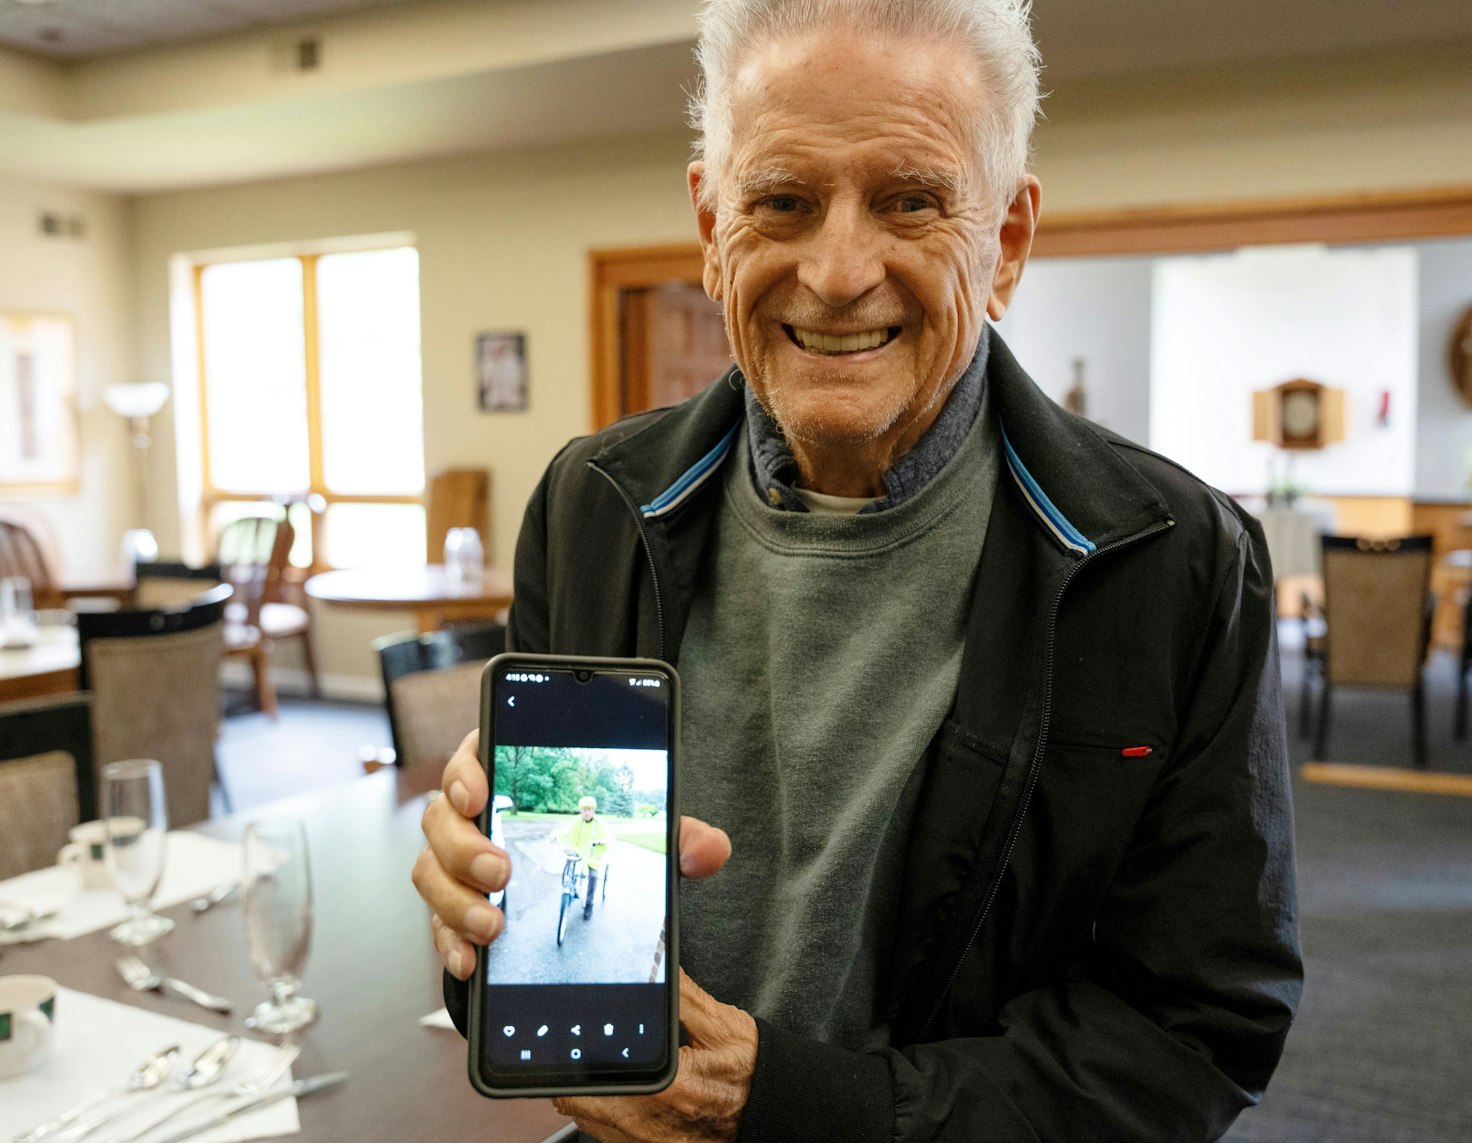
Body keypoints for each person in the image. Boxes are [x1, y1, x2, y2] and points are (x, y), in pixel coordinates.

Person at [412, 1, 1301, 1140]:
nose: (837, 274)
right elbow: (524, 930)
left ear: (1008, 241)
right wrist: (479, 923)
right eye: (781, 202)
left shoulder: (1170, 561)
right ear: (709, 223)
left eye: (910, 201)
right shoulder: (596, 504)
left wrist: (786, 1105)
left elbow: (1193, 1034)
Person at [557, 794, 612, 920]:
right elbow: (567, 832)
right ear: (581, 810)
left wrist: (601, 841)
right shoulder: (577, 820)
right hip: (579, 850)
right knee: (569, 864)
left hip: (593, 854)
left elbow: (606, 836)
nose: (586, 812)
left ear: (593, 810)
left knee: (593, 876)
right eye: (584, 810)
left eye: (589, 809)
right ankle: (570, 887)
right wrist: (556, 835)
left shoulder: (599, 822)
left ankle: (589, 904)